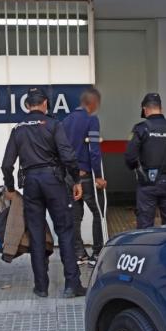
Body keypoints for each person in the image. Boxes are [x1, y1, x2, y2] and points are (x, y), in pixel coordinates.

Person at [1, 87, 86, 298]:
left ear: (27, 105)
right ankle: (72, 285)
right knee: (65, 231)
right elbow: (68, 156)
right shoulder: (54, 124)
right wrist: (76, 180)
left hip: (31, 183)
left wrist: (10, 188)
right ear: (45, 104)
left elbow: (6, 164)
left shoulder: (18, 129)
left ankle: (41, 287)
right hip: (54, 181)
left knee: (36, 233)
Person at [125, 93, 166, 229]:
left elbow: (130, 157)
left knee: (145, 226)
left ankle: (146, 243)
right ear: (161, 108)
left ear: (144, 109)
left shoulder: (141, 129)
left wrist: (137, 168)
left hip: (147, 183)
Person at [62, 87, 106, 266]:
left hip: (68, 176)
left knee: (75, 216)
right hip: (86, 175)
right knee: (98, 212)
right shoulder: (91, 120)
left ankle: (79, 254)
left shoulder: (65, 121)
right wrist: (98, 176)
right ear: (93, 103)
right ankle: (97, 253)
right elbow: (94, 150)